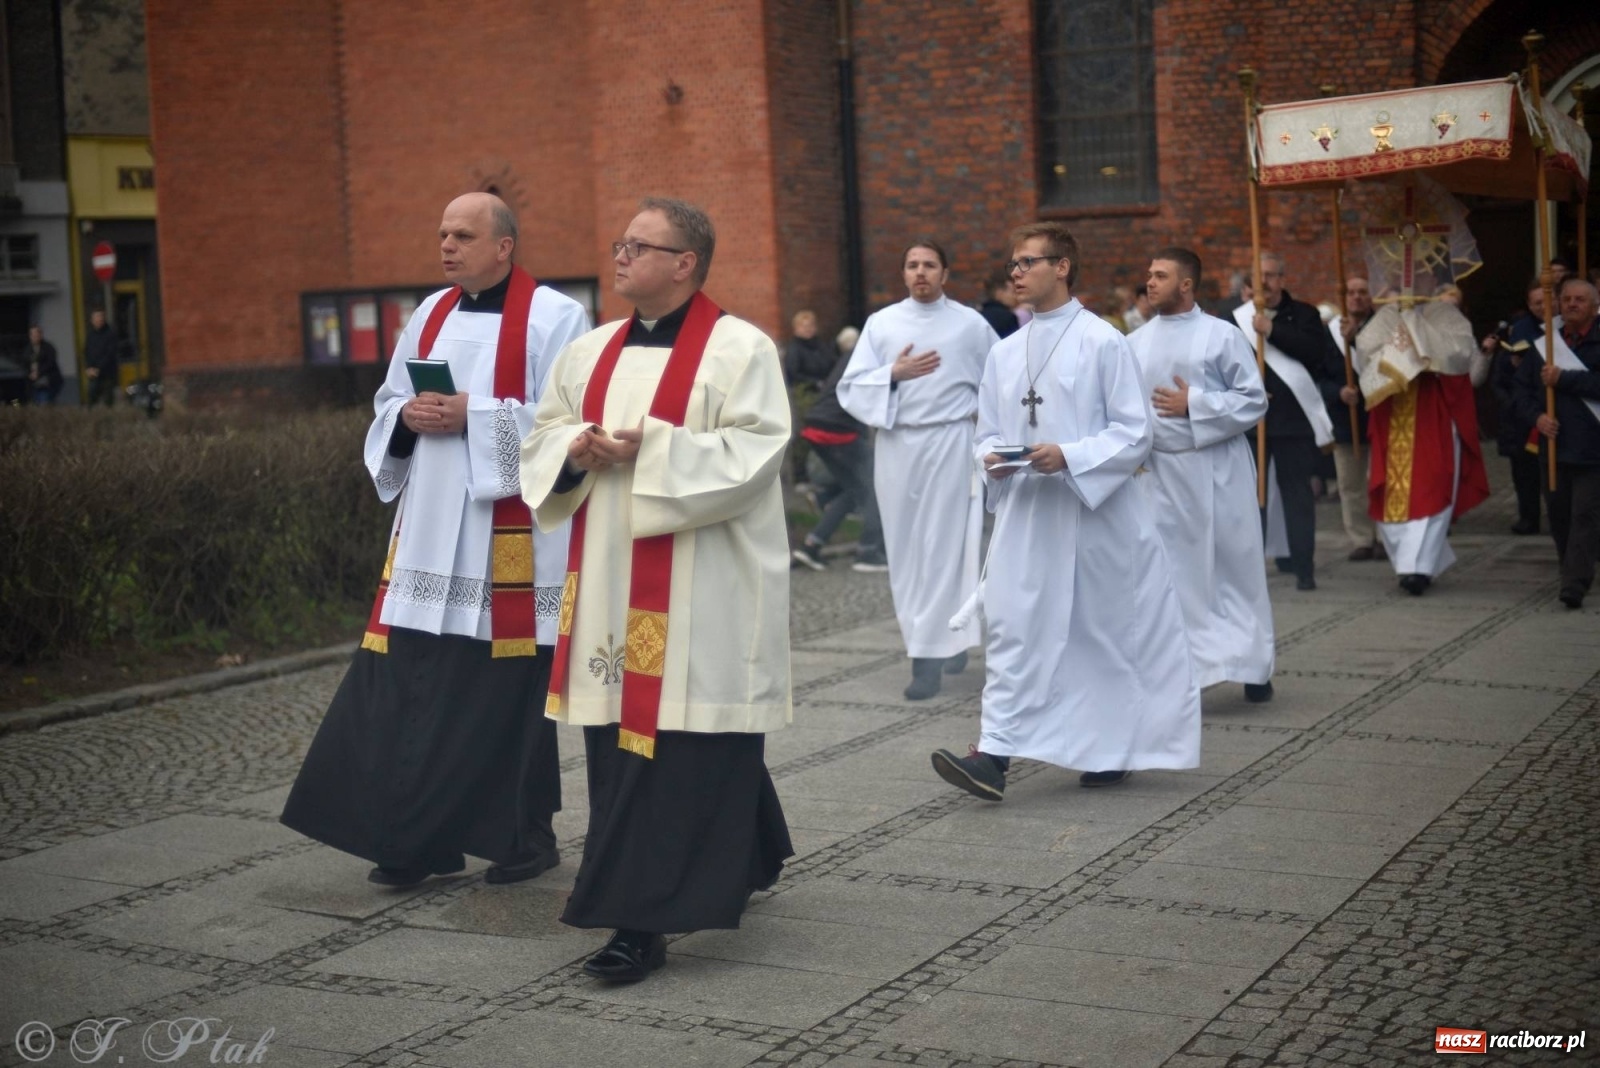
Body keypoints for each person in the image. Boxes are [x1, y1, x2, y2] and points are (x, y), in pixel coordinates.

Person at [281, 193, 591, 889]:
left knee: (505, 693)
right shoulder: (430, 312)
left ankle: (522, 839)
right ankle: (412, 837)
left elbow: (566, 425)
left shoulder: (557, 316)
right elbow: (389, 400)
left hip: (504, 539)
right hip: (427, 534)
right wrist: (410, 414)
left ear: (504, 246)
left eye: (463, 235)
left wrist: (472, 416)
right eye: (442, 233)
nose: (446, 246)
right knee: (409, 684)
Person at [520, 197, 794, 982]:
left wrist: (655, 449)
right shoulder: (590, 351)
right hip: (611, 583)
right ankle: (748, 849)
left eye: (640, 246)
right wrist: (577, 448)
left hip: (705, 583)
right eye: (619, 244)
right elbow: (544, 437)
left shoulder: (741, 349)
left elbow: (760, 450)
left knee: (690, 742)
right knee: (637, 743)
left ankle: (640, 923)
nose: (620, 257)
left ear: (685, 263)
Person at [930, 222, 1198, 799]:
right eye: (1013, 265)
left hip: (1095, 517)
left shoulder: (1102, 341)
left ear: (1063, 267)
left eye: (1027, 263)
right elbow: (989, 431)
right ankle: (993, 756)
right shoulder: (1004, 352)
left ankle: (1108, 748)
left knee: (1096, 634)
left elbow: (1134, 433)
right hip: (1027, 514)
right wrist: (993, 460)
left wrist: (1070, 456)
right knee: (1012, 626)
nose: (1016, 274)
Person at [838, 239, 998, 700]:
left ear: (945, 274)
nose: (921, 272)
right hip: (898, 444)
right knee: (907, 548)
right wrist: (892, 374)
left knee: (944, 546)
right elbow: (851, 386)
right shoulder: (882, 323)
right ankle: (940, 638)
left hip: (950, 441)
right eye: (912, 265)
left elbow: (1000, 381)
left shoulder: (970, 325)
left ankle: (925, 660)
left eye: (930, 265)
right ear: (904, 274)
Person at [1129, 248, 1275, 702]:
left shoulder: (1221, 335)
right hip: (1161, 474)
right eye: (1149, 274)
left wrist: (1195, 403)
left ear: (1187, 284)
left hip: (1217, 468)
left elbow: (1254, 400)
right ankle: (1189, 668)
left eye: (1160, 275)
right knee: (1175, 574)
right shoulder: (1134, 341)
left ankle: (1253, 665)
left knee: (1234, 565)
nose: (1150, 282)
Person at [1359, 291, 1490, 595]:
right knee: (1392, 490)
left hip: (1435, 412)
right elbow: (1365, 353)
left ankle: (1416, 569)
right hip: (1393, 411)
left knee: (1434, 486)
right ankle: (1414, 565)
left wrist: (1420, 335)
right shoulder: (1386, 315)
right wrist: (1398, 345)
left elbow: (1461, 355)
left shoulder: (1446, 314)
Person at [1235, 253, 1338, 590]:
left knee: (1298, 498)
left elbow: (1314, 354)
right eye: (1259, 275)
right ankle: (1251, 572)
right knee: (1252, 500)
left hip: (1293, 423)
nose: (1265, 281)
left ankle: (1303, 567)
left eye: (1272, 275)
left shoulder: (1306, 314)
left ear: (1282, 279)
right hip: (1252, 425)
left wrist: (1272, 331)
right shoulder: (1234, 318)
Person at [1514, 276, 1600, 609]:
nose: (1572, 304)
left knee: (1585, 515)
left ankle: (1574, 583)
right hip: (1554, 445)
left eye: (1580, 299)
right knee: (1560, 513)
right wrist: (1536, 417)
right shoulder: (1545, 345)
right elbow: (1519, 392)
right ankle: (1573, 567)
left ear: (1594, 305)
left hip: (1593, 447)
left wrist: (1565, 379)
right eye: (1566, 299)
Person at [791, 349, 888, 572]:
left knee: (855, 490)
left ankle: (812, 545)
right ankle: (869, 552)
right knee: (875, 485)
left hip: (820, 423)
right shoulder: (875, 352)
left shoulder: (859, 351)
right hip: (838, 428)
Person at [1323, 276, 1381, 560]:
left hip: (1378, 415)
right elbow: (1319, 377)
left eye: (1362, 292)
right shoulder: (1331, 331)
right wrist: (1338, 392)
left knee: (1379, 480)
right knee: (1350, 483)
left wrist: (1356, 340)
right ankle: (1361, 538)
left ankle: (1384, 535)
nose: (1357, 297)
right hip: (1345, 419)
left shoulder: (1382, 327)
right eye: (1352, 293)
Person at [1487, 279, 1548, 535]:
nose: (1542, 307)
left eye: (1547, 301)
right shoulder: (1520, 330)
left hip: (1553, 411)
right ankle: (1528, 517)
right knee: (1523, 473)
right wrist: (1511, 403)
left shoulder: (1565, 328)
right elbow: (1498, 379)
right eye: (1537, 303)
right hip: (1520, 415)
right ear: (1528, 304)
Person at [783, 309, 836, 388]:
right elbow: (793, 374)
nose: (807, 329)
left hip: (827, 387)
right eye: (803, 326)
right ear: (796, 329)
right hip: (804, 391)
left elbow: (833, 363)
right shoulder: (794, 349)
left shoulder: (822, 345)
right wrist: (815, 383)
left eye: (811, 325)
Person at [83, 310, 120, 407]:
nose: (99, 320)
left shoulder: (110, 334)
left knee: (108, 399)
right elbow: (86, 352)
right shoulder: (90, 335)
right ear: (92, 321)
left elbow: (110, 354)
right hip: (93, 373)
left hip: (107, 373)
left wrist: (98, 368)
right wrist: (88, 367)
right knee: (91, 397)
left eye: (101, 318)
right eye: (96, 318)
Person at [25, 326, 64, 405]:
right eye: (33, 335)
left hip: (48, 381)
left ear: (41, 335)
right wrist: (30, 374)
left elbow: (50, 362)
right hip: (34, 383)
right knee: (36, 402)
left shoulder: (48, 348)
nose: (35, 337)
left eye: (37, 335)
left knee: (44, 402)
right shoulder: (28, 349)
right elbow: (25, 363)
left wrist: (38, 372)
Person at [978, 269, 1021, 339]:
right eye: (1012, 292)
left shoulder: (979, 316)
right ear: (999, 292)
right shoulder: (1008, 318)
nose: (1015, 297)